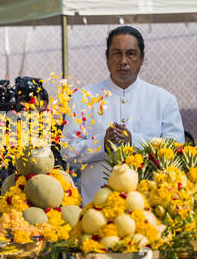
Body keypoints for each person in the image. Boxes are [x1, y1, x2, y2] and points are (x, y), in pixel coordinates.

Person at [61, 25, 185, 206]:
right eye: (117, 53)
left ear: (142, 58)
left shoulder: (164, 100)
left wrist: (134, 141)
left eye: (131, 53)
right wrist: (101, 143)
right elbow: (67, 151)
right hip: (96, 209)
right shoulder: (83, 98)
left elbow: (176, 151)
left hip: (149, 208)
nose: (124, 61)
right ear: (106, 57)